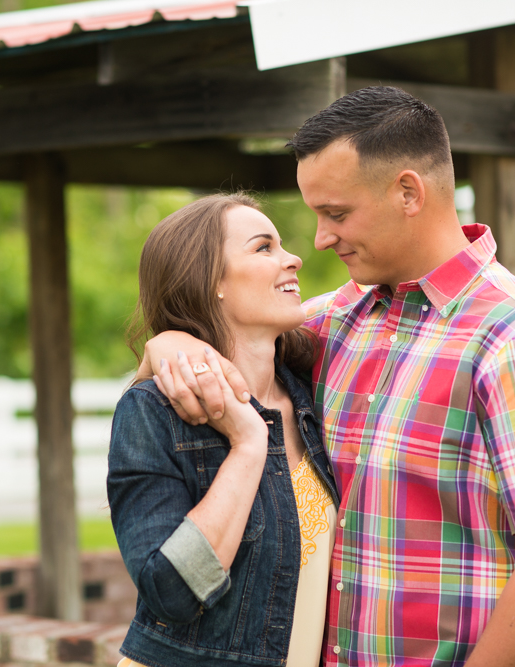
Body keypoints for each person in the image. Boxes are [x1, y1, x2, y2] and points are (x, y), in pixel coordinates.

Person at [143, 86, 515, 667]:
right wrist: (171, 340)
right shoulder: (339, 319)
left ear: (408, 192)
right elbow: (228, 325)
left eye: (336, 213)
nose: (320, 239)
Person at [106, 193, 341, 667]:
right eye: (264, 248)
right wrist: (249, 443)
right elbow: (169, 593)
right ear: (211, 282)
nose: (294, 258)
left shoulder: (314, 392)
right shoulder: (154, 412)